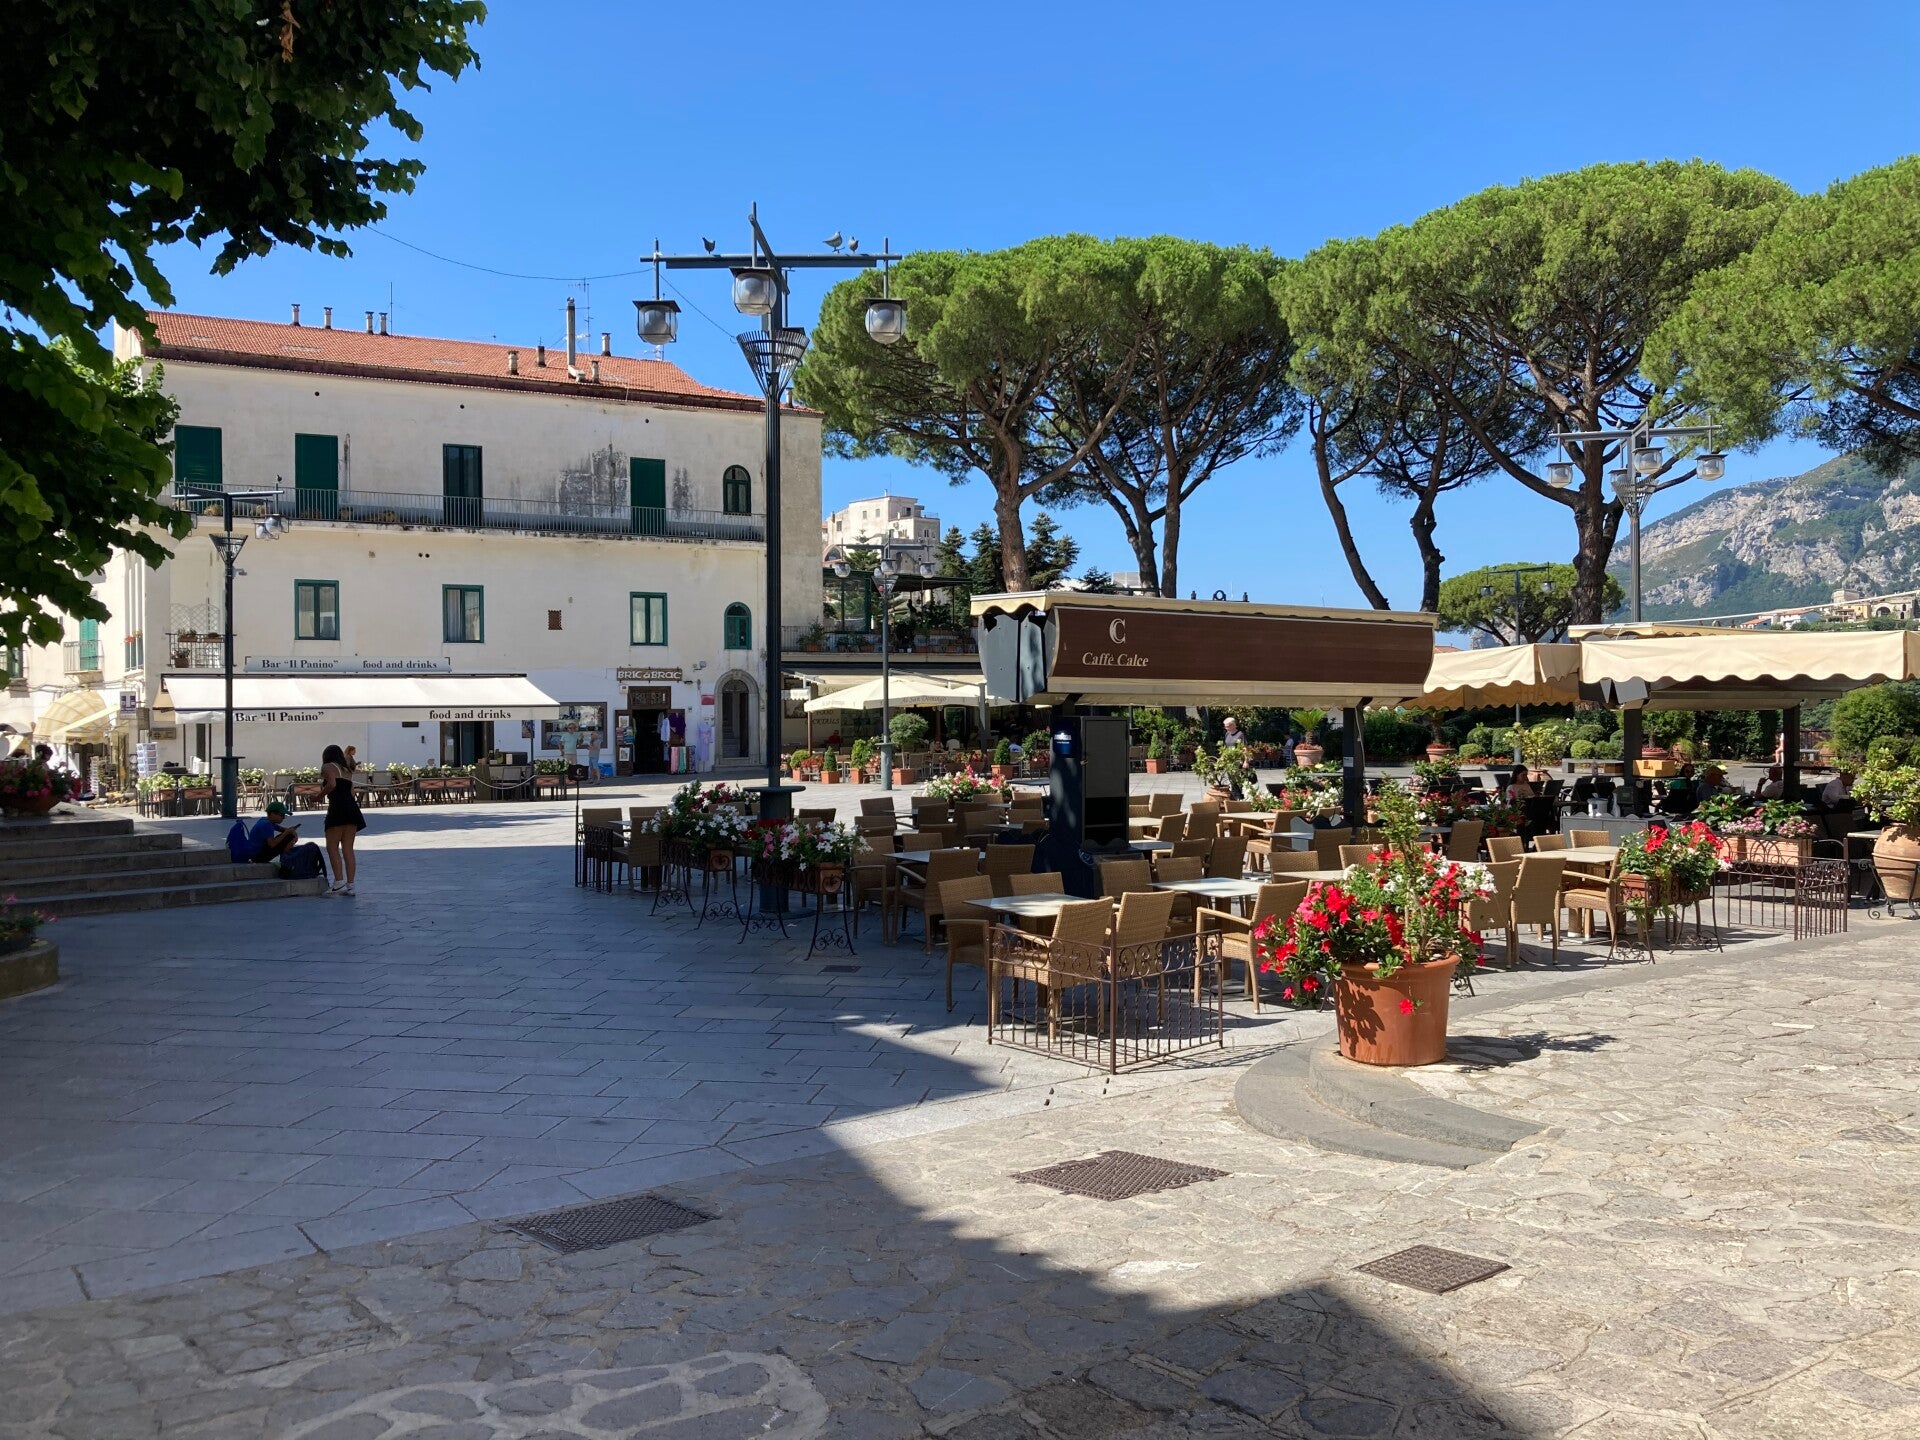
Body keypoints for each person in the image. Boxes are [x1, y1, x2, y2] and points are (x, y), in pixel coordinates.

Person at [320, 743, 365, 896]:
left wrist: (318, 796)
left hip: (337, 809)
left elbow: (332, 784)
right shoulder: (347, 770)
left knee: (332, 847)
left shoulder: (327, 766)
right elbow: (351, 792)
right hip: (352, 810)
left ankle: (339, 883)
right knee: (348, 849)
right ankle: (350, 885)